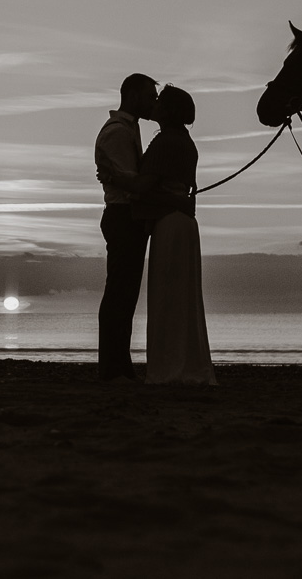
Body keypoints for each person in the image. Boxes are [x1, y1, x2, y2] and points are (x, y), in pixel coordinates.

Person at [107, 85, 216, 385]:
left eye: (159, 101)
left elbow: (143, 186)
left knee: (168, 296)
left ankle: (171, 367)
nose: (153, 104)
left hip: (170, 225)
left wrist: (113, 175)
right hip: (180, 223)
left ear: (167, 111)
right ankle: (182, 363)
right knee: (180, 297)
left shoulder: (167, 141)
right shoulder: (182, 141)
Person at [93, 73, 158, 382]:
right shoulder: (118, 132)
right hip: (123, 215)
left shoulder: (127, 129)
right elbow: (131, 182)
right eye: (150, 97)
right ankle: (112, 366)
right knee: (120, 292)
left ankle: (117, 364)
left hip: (126, 215)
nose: (154, 103)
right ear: (133, 96)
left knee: (124, 293)